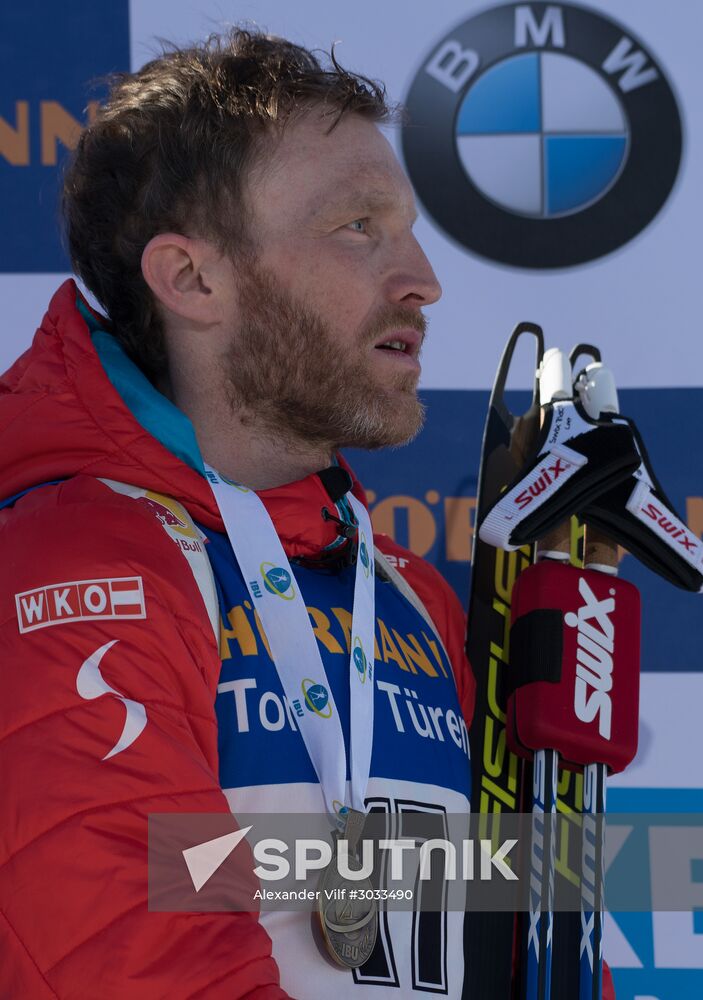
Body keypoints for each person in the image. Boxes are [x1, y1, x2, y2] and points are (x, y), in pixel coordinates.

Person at [0, 30, 475, 999]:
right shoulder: (74, 564)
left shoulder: (413, 596)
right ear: (192, 280)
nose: (422, 280)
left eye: (408, 228)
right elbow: (139, 964)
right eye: (357, 228)